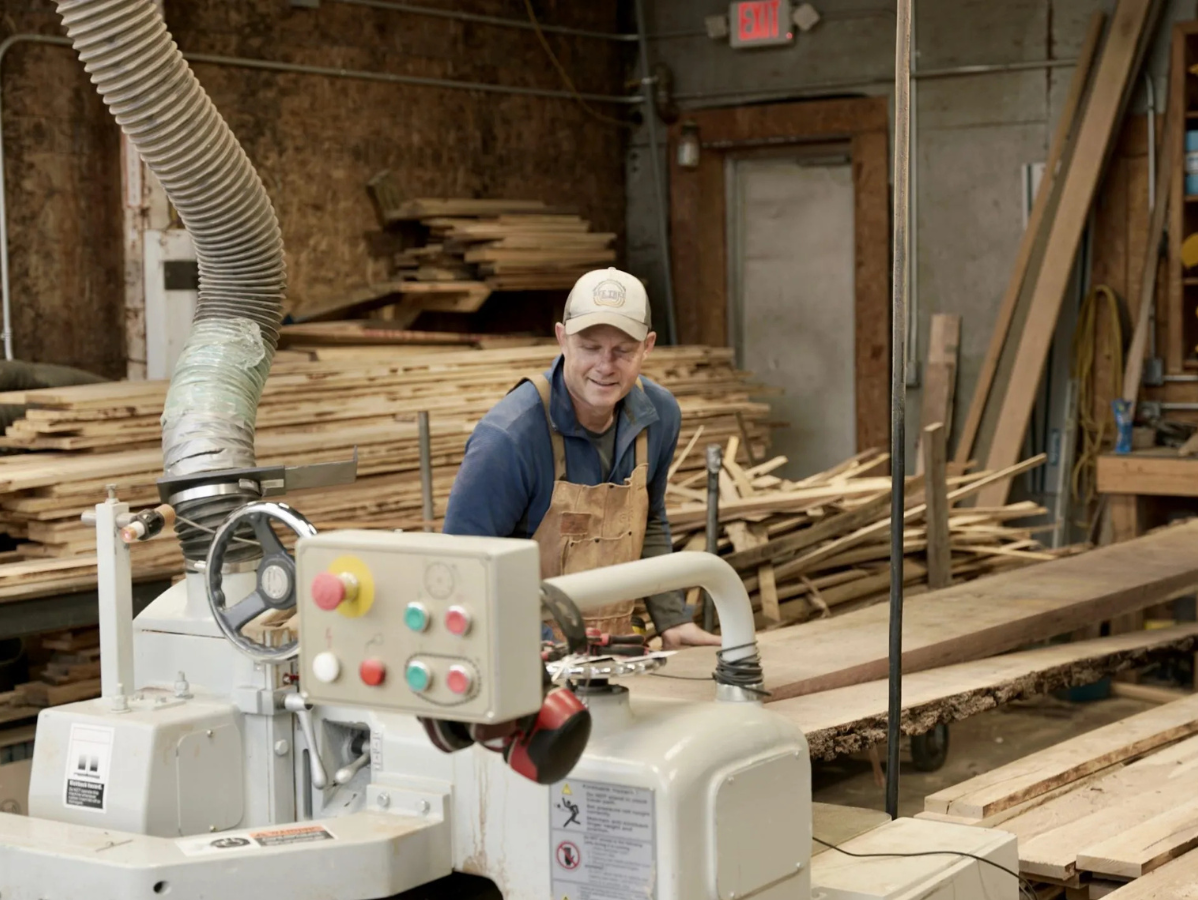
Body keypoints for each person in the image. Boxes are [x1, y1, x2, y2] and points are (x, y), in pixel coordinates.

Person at [442, 268, 721, 650]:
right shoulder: (509, 438)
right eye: (590, 347)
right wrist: (551, 647)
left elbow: (649, 519)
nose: (605, 366)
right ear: (562, 339)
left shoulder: (659, 416)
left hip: (612, 654)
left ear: (648, 346)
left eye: (622, 350)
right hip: (522, 656)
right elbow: (462, 569)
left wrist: (672, 618)